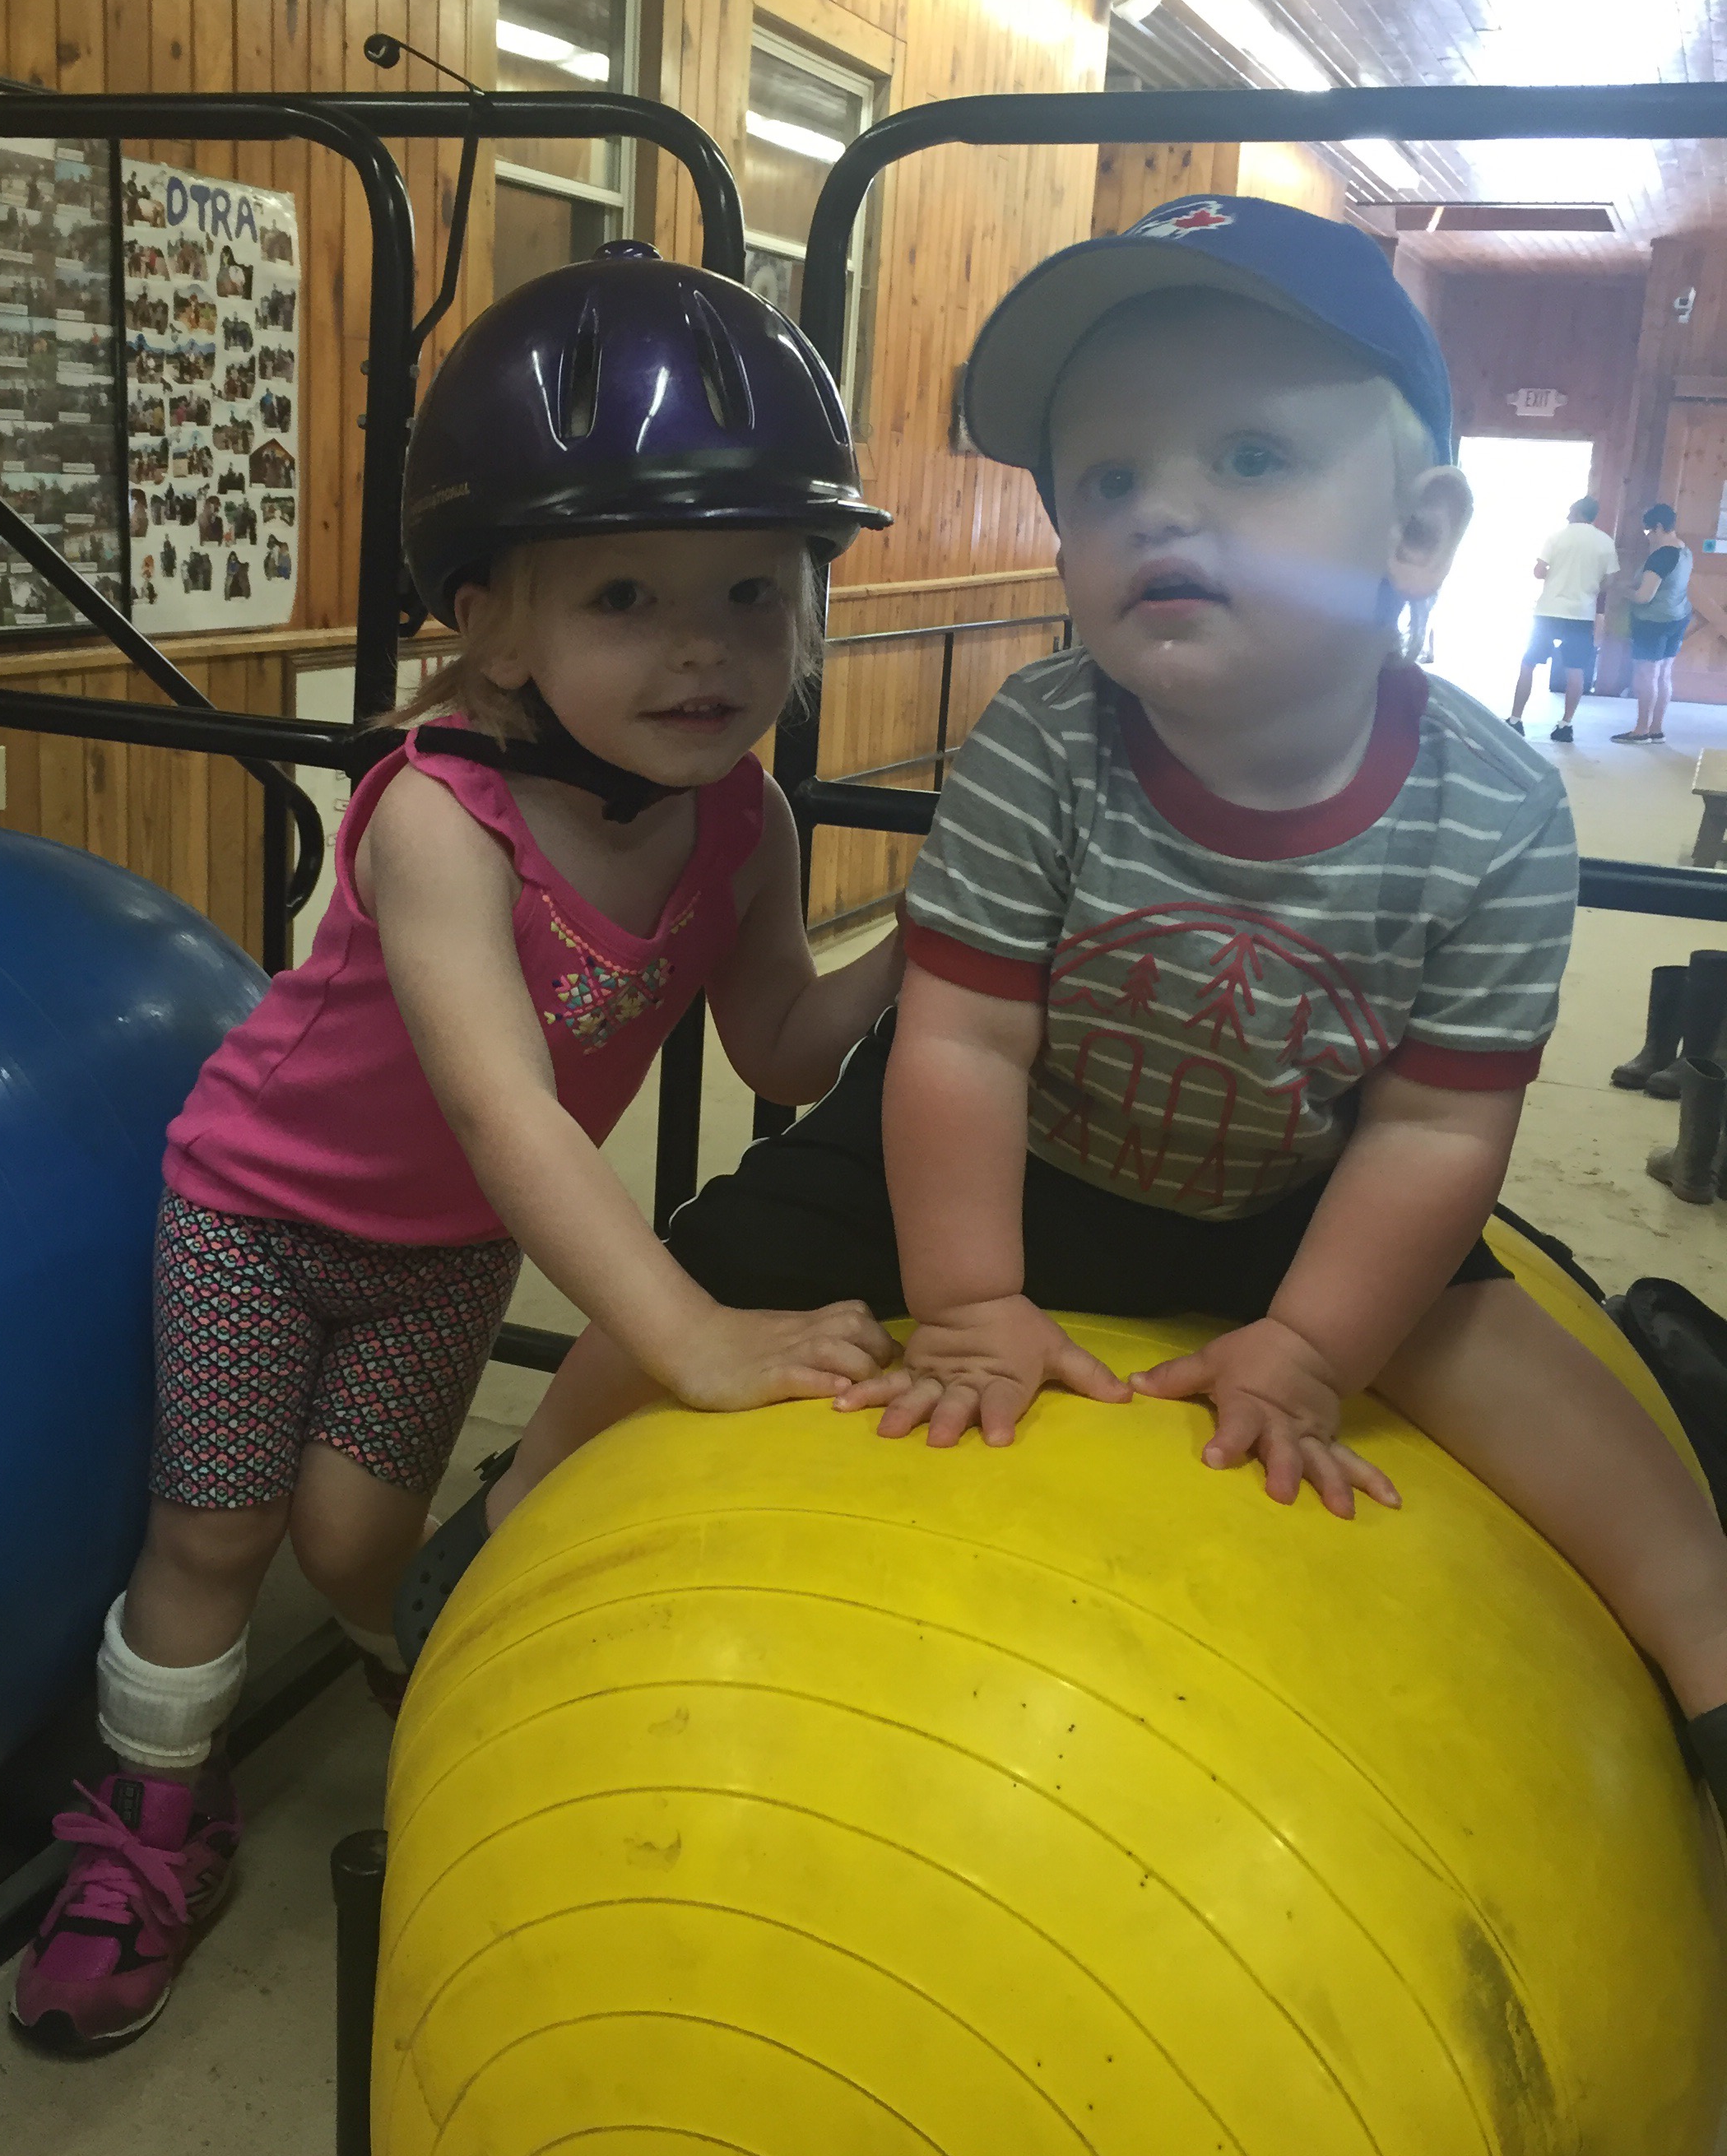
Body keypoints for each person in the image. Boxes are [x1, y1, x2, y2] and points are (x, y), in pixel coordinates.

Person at [413, 196, 1727, 1837]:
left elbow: (1434, 1123)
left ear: (1417, 532)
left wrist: (1313, 1348)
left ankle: (1706, 1648)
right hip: (984, 1152)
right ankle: (500, 1533)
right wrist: (968, 1300)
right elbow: (961, 1043)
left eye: (1251, 457)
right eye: (1105, 480)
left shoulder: (1501, 810)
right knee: (688, 1286)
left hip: (1294, 1185)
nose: (1160, 505)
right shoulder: (1045, 736)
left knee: (1602, 1449)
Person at [9, 244, 905, 2051]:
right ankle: (146, 1831)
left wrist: (940, 937)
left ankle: (437, 1682)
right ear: (494, 627)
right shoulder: (440, 816)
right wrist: (685, 1332)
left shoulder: (745, 818)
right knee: (217, 1533)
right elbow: (506, 1114)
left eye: (753, 589)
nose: (703, 645)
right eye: (627, 595)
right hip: (257, 1212)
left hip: (440, 1252)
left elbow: (781, 1047)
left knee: (357, 1543)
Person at [1508, 494, 1619, 741]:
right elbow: (1610, 580)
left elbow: (1539, 572)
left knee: (1529, 664)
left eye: (1570, 512)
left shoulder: (1556, 537)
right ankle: (1565, 725)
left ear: (1577, 513)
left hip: (1549, 610)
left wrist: (1554, 574)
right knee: (1575, 670)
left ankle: (1515, 720)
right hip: (1582, 613)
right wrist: (1590, 586)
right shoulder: (1605, 542)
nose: (1567, 516)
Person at [1613, 502, 1692, 745]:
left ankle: (1640, 730)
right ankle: (1656, 729)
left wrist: (1623, 591)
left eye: (1648, 531)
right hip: (1678, 616)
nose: (1647, 537)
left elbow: (1643, 597)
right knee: (1664, 674)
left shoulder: (1660, 556)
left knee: (1647, 674)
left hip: (1653, 621)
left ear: (1658, 527)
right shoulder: (1684, 551)